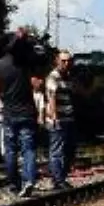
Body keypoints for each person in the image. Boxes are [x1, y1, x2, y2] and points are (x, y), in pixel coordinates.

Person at [0, 32, 40, 197]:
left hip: (9, 113)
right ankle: (29, 181)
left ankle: (13, 184)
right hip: (27, 111)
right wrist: (26, 39)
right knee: (29, 149)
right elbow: (39, 55)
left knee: (11, 149)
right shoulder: (25, 62)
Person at [45, 49, 78, 190]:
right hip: (58, 120)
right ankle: (58, 180)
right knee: (57, 150)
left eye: (68, 61)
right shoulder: (53, 77)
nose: (66, 63)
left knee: (69, 150)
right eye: (63, 60)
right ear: (57, 61)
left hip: (69, 119)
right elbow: (52, 97)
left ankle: (61, 177)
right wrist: (54, 118)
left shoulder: (68, 77)